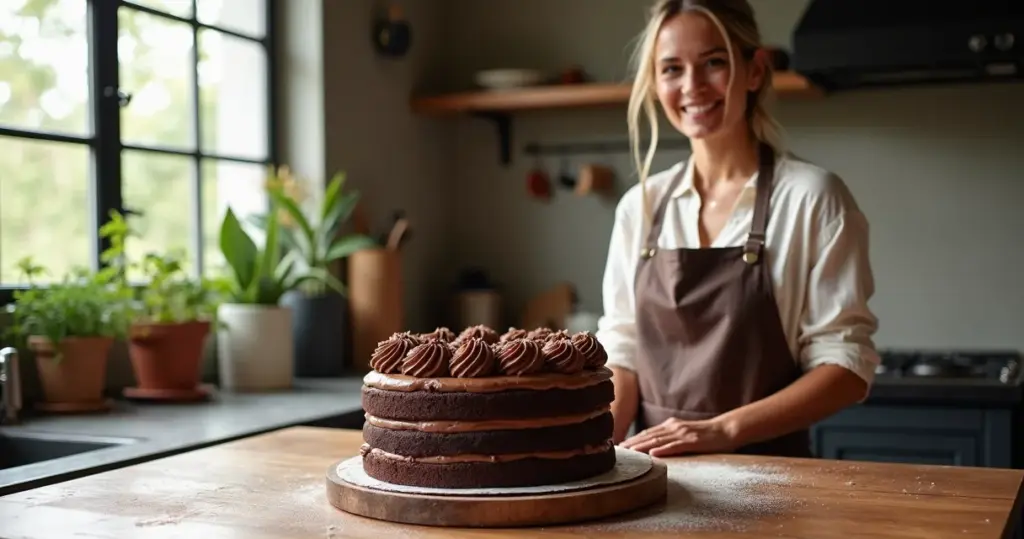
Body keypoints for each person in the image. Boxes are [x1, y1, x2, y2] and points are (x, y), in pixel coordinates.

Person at [595, 0, 880, 458]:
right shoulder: (641, 207)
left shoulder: (813, 198)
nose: (692, 86)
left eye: (714, 62)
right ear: (655, 83)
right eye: (671, 69)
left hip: (775, 480)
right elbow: (623, 351)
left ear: (754, 70)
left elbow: (846, 366)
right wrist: (599, 449)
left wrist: (722, 431)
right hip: (656, 472)